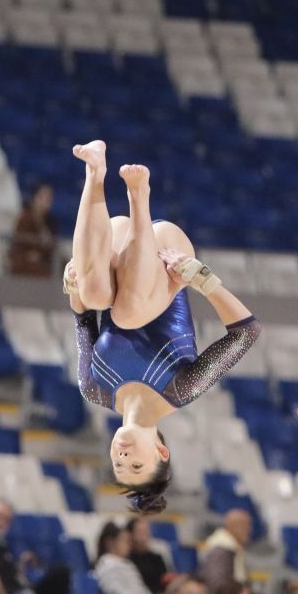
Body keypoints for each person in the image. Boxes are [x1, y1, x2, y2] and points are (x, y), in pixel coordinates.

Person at [65, 142, 260, 513]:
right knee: (124, 315)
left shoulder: (94, 389)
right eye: (136, 464)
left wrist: (72, 284)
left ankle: (95, 172)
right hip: (167, 253)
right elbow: (246, 333)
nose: (122, 457)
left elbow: (82, 318)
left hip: (119, 243)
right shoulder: (182, 388)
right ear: (161, 450)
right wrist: (202, 280)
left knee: (92, 293)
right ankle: (141, 196)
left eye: (119, 465)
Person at [94, 520, 160, 594]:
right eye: (125, 541)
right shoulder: (106, 565)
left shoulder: (128, 564)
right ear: (111, 542)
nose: (129, 545)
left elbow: (142, 589)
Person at [199, 509, 251, 594]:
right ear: (230, 526)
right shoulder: (220, 550)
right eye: (244, 526)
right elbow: (218, 586)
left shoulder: (233, 548)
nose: (248, 531)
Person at [9, 184, 57, 276]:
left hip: (43, 261)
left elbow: (51, 245)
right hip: (24, 261)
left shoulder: (50, 222)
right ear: (35, 198)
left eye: (49, 198)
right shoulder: (25, 219)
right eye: (43, 197)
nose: (47, 201)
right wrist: (30, 254)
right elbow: (20, 244)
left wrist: (41, 253)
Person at [128, 517, 170, 594]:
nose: (145, 535)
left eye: (146, 531)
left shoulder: (157, 557)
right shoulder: (126, 560)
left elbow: (165, 580)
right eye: (140, 531)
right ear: (131, 534)